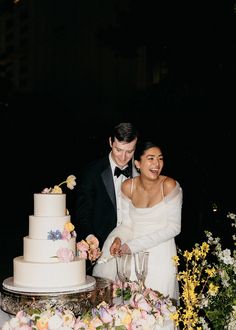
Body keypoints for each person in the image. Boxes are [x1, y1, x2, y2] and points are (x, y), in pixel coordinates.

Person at [93, 140, 183, 301]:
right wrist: (118, 239)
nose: (157, 164)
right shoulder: (128, 187)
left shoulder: (169, 185)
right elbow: (127, 225)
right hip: (133, 260)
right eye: (151, 158)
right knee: (133, 312)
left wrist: (131, 246)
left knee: (160, 312)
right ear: (138, 163)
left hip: (161, 257)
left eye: (160, 158)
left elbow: (174, 228)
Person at [73, 122, 139, 251]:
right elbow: (82, 212)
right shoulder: (92, 172)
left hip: (133, 246)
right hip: (102, 247)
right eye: (118, 150)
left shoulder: (141, 172)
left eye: (129, 151)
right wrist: (90, 237)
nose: (123, 157)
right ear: (110, 142)